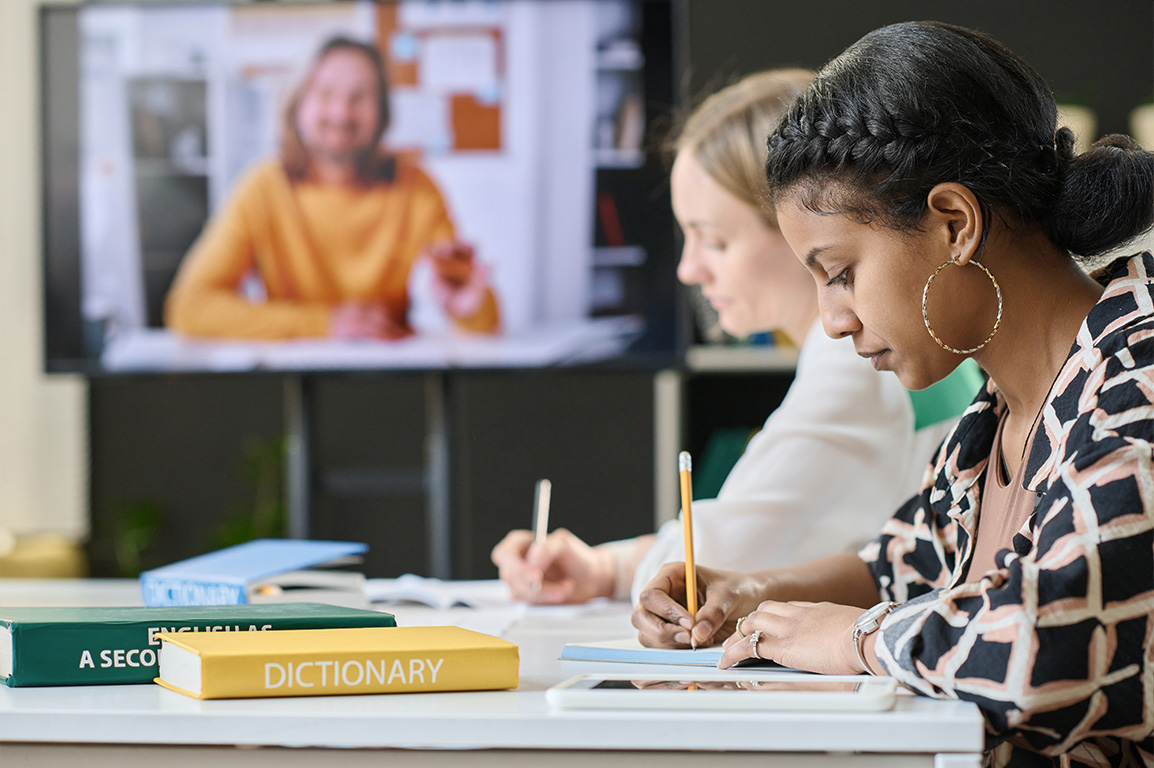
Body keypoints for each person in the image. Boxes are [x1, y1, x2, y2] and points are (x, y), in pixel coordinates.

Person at [633, 21, 1154, 767]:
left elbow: (1048, 654)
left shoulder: (1135, 384)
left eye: (840, 273)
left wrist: (853, 636)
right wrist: (747, 595)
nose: (833, 321)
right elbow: (900, 564)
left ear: (953, 224)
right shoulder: (994, 419)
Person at [490, 69, 982, 606]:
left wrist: (614, 568)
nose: (688, 270)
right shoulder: (890, 348)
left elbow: (717, 559)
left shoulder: (858, 365)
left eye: (715, 241)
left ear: (799, 230)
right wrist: (603, 567)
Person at [165, 36, 499, 340]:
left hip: (387, 381)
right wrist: (325, 324)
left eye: (359, 97)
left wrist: (467, 306)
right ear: (297, 105)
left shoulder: (416, 187)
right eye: (325, 94)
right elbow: (188, 308)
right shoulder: (263, 187)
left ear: (381, 111)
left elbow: (485, 323)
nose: (341, 112)